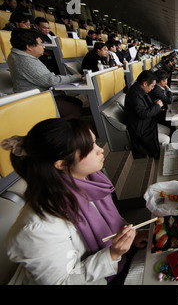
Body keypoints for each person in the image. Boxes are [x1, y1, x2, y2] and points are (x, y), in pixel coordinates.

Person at [1, 118, 148, 284]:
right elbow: (62, 281)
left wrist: (129, 237)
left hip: (119, 261)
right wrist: (112, 254)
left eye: (95, 143)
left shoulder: (89, 182)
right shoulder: (38, 228)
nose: (100, 150)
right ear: (62, 164)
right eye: (89, 149)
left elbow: (109, 220)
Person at [7, 28, 84, 118]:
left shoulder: (17, 55)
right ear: (29, 47)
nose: (44, 47)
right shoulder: (25, 61)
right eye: (41, 44)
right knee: (76, 111)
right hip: (36, 99)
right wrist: (76, 77)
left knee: (77, 102)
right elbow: (50, 80)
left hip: (42, 94)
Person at [124, 70, 170, 159]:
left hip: (146, 123)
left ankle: (158, 153)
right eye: (152, 86)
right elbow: (143, 114)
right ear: (145, 83)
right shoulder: (135, 95)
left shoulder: (138, 89)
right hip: (141, 129)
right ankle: (161, 159)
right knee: (166, 139)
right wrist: (157, 106)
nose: (152, 88)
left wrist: (156, 107)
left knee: (167, 130)